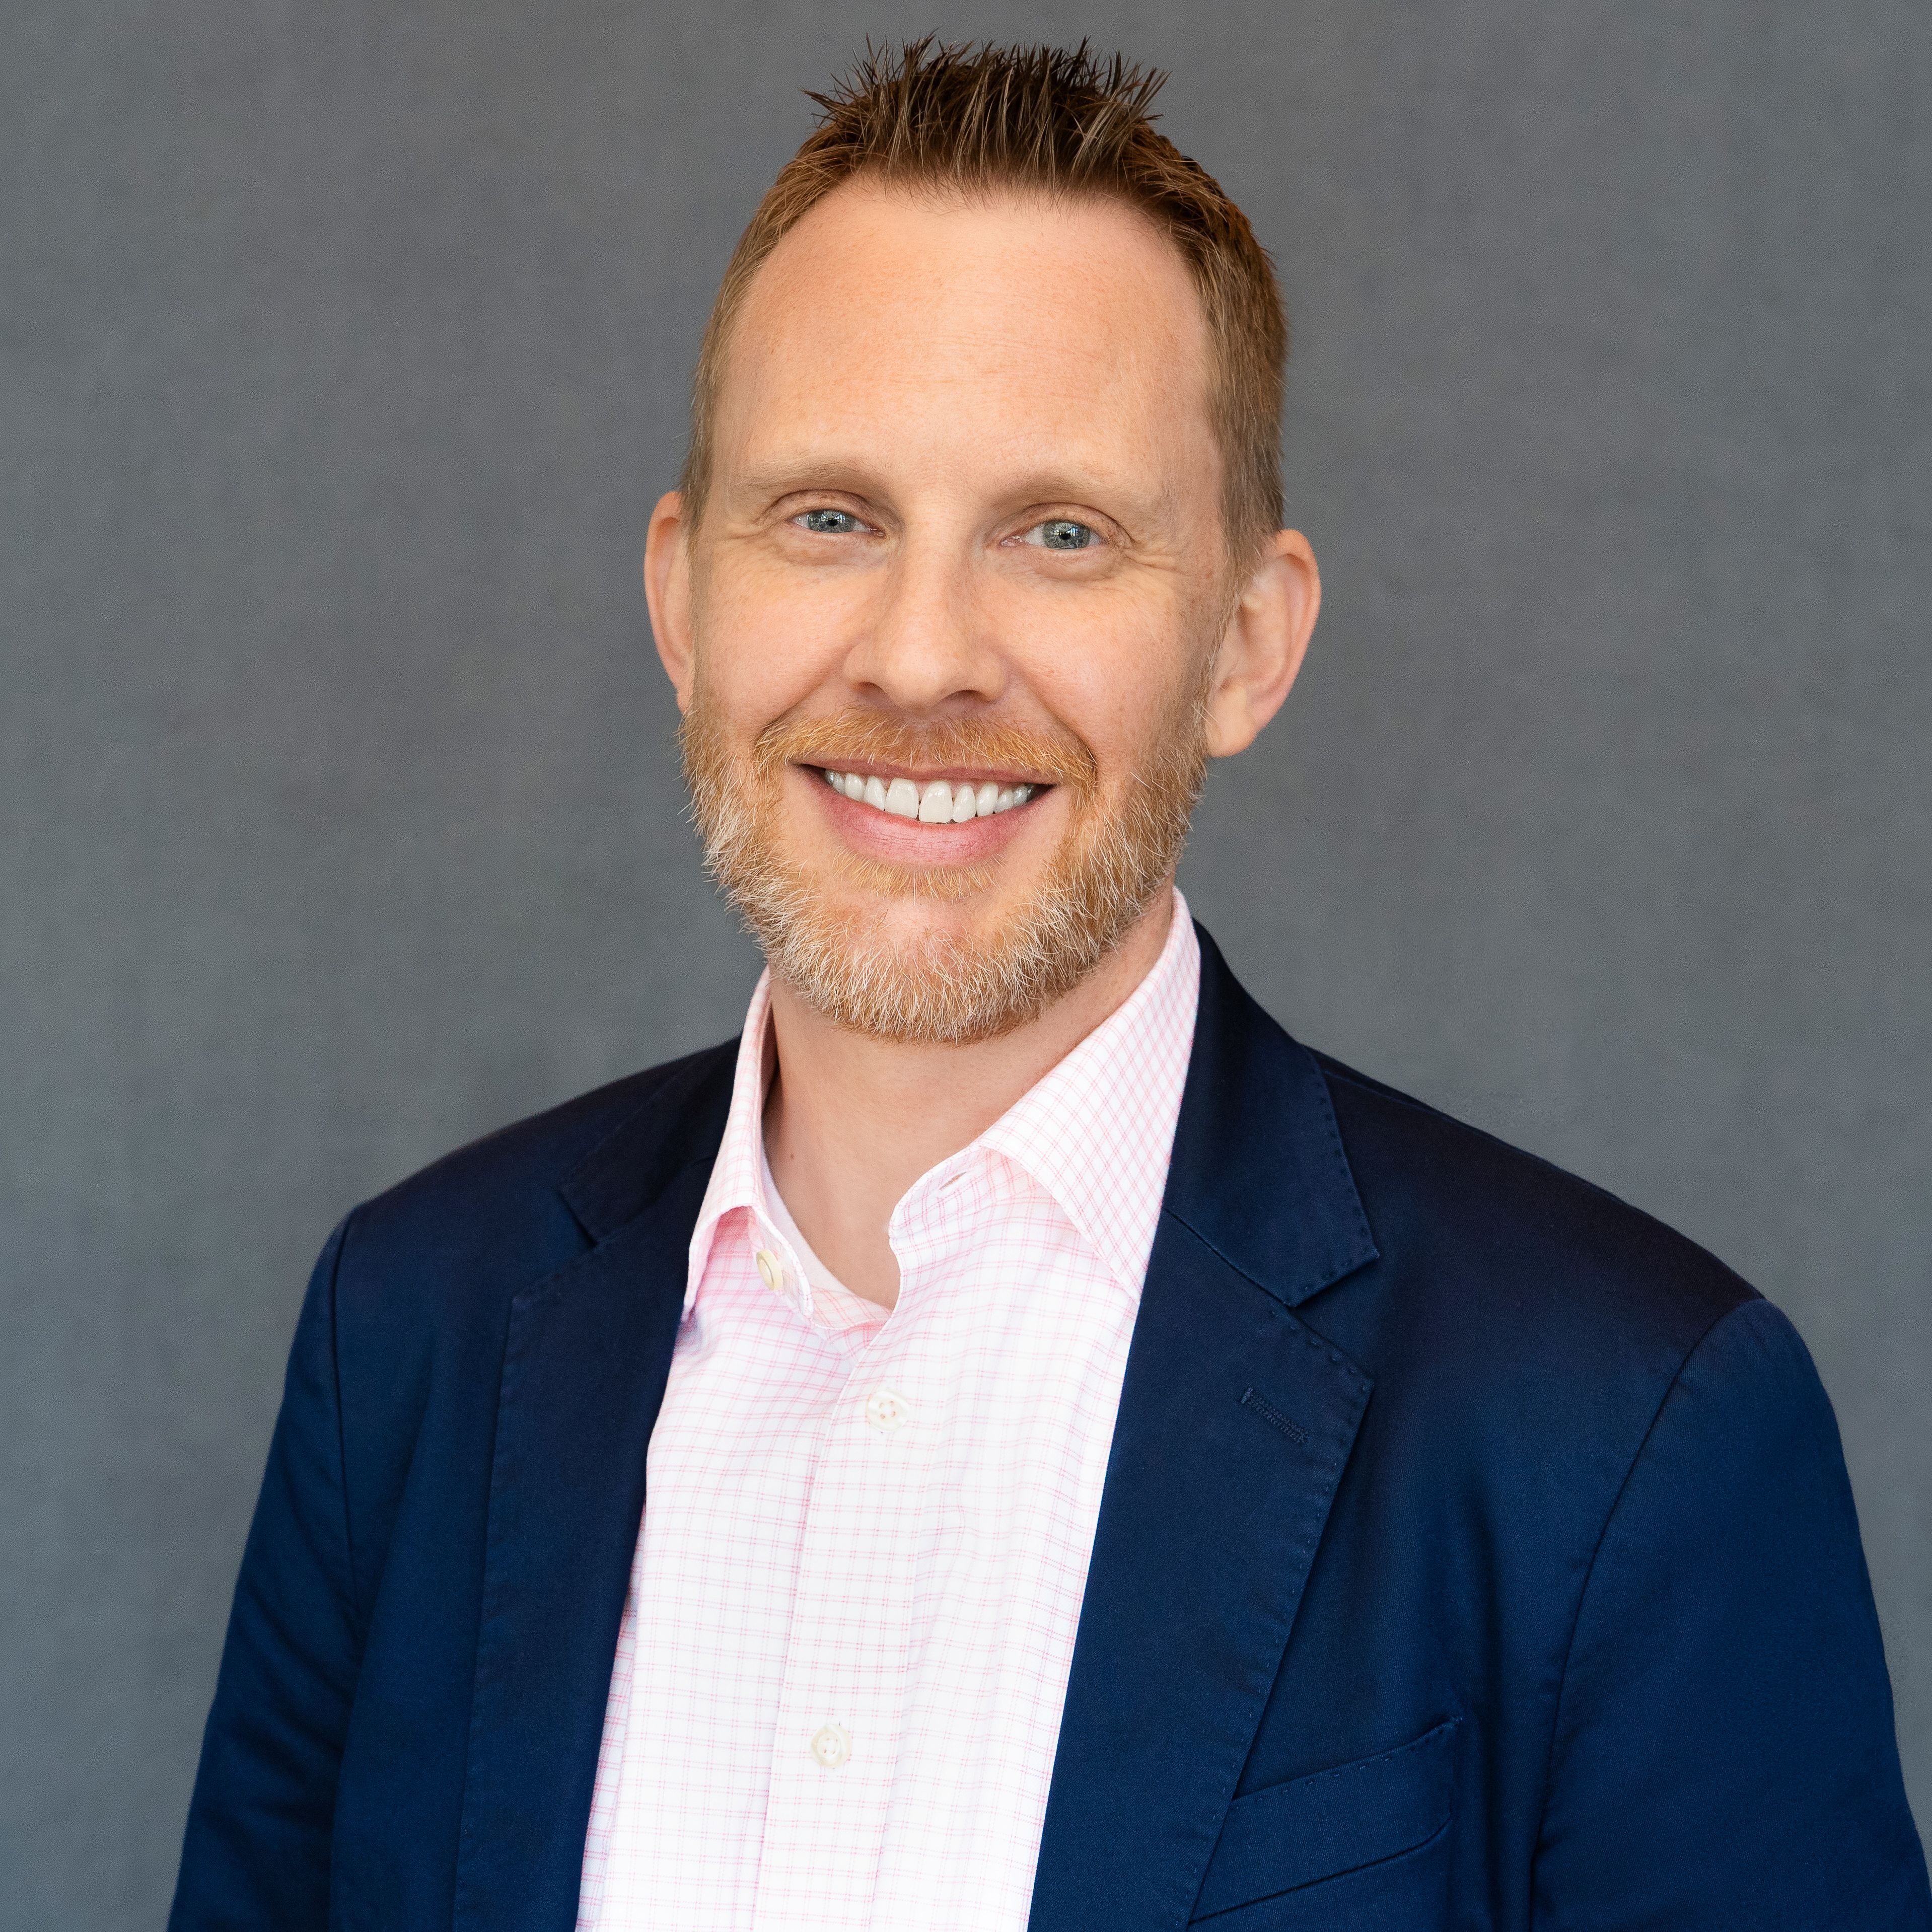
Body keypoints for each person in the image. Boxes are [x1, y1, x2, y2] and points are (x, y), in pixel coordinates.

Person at [169, 39, 1929, 1932]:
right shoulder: (408, 1337)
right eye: (830, 517)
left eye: (1061, 535)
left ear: (1245, 645)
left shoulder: (1624, 1430)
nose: (921, 656)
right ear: (683, 601)